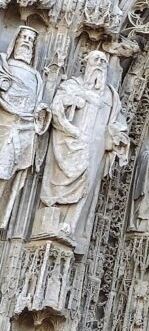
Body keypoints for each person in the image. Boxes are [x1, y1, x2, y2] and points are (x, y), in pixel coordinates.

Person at [38, 50, 128, 246]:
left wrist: (119, 137)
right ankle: (53, 221)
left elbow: (117, 122)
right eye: (96, 60)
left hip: (95, 148)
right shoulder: (72, 85)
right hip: (72, 143)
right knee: (63, 180)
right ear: (85, 63)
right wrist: (72, 130)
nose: (100, 64)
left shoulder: (111, 95)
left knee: (87, 186)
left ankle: (71, 224)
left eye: (104, 62)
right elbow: (57, 109)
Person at [0, 26, 48, 230]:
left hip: (25, 127)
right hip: (6, 123)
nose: (27, 42)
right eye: (24, 37)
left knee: (7, 172)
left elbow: (36, 103)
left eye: (31, 39)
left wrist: (41, 112)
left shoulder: (36, 76)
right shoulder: (4, 64)